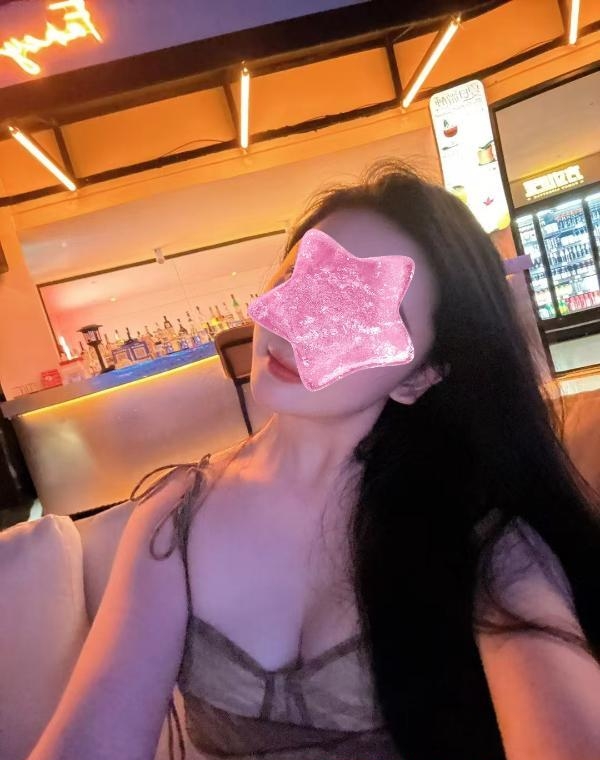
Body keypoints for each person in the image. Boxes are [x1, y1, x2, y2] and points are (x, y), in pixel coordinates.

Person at [27, 161, 600, 760]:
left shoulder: (480, 533)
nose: (297, 325)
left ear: (419, 376)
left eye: (358, 309)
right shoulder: (174, 519)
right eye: (300, 277)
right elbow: (91, 739)